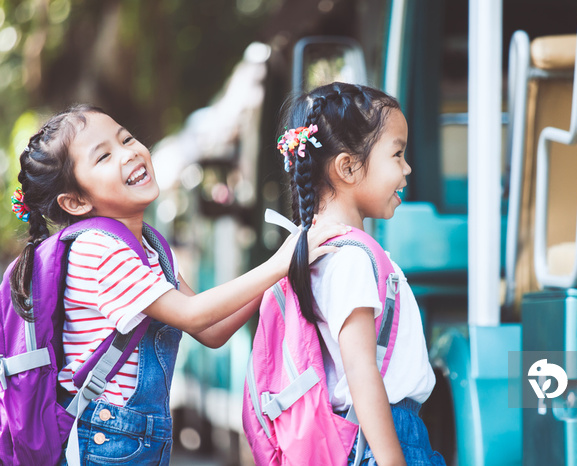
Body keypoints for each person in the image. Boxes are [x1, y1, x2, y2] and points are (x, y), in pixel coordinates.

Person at [9, 104, 349, 464]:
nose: (129, 153)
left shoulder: (147, 246)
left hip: (126, 438)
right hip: (103, 441)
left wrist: (281, 273)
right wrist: (281, 262)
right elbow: (193, 315)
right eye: (104, 156)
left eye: (126, 138)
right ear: (75, 201)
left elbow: (213, 331)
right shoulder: (98, 249)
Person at [279, 82, 446, 466]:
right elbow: (361, 372)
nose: (407, 168)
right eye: (397, 153)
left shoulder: (338, 253)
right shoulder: (350, 258)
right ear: (348, 167)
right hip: (387, 437)